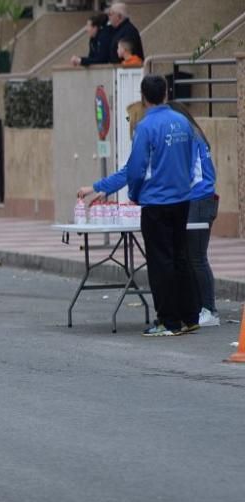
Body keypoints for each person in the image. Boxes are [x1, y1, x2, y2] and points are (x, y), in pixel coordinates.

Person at [78, 75, 197, 337]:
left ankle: (168, 321)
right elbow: (191, 160)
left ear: (144, 97)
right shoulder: (183, 123)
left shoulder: (146, 127)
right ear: (166, 93)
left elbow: (134, 170)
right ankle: (190, 316)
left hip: (156, 203)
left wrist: (133, 192)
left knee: (160, 262)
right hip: (182, 200)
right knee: (180, 257)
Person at [169, 101, 220, 327]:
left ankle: (209, 310)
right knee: (192, 257)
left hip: (198, 199)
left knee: (197, 257)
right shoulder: (195, 134)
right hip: (201, 199)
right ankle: (200, 307)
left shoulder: (187, 136)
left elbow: (188, 174)